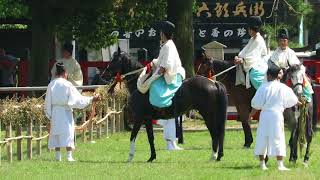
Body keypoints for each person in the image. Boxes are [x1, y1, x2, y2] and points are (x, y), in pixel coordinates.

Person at [44, 62, 100, 161]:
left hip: (55, 112)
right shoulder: (67, 84)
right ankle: (69, 156)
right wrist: (91, 99)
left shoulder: (51, 84)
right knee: (68, 133)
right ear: (65, 73)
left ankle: (58, 157)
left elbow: (47, 101)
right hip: (65, 112)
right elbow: (78, 99)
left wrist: (49, 115)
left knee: (57, 133)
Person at [249, 65, 299, 171]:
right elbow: (293, 100)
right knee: (278, 137)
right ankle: (280, 165)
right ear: (277, 75)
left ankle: (262, 164)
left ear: (268, 75)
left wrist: (250, 115)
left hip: (265, 115)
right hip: (277, 115)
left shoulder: (263, 87)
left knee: (262, 137)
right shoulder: (283, 88)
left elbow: (256, 104)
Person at [148, 21, 185, 150]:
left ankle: (158, 117)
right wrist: (153, 63)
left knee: (153, 88)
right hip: (170, 76)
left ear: (163, 33)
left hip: (172, 78)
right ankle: (171, 141)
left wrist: (155, 75)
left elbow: (166, 64)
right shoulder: (167, 45)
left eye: (160, 32)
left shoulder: (168, 45)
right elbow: (161, 61)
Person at [269, 28, 314, 103]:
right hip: (280, 76)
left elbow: (297, 65)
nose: (282, 42)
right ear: (278, 41)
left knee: (304, 79)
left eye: (284, 41)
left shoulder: (291, 52)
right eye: (281, 41)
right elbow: (274, 66)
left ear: (287, 41)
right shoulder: (275, 53)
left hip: (292, 74)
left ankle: (307, 98)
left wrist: (298, 69)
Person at [234, 16, 268, 89]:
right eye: (249, 29)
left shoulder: (258, 40)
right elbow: (245, 51)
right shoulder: (252, 39)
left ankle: (263, 93)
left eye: (251, 29)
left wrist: (243, 60)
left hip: (259, 65)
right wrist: (239, 56)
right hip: (253, 63)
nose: (249, 31)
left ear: (254, 30)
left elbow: (253, 55)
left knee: (253, 75)